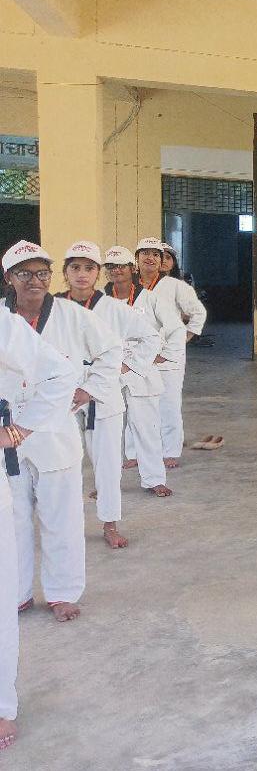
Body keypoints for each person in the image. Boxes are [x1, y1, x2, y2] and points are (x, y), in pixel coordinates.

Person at [2, 241, 122, 622]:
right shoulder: (3, 319)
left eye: (42, 273)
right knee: (12, 519)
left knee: (62, 517)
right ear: (9, 278)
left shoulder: (73, 316)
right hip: (8, 434)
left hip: (54, 430)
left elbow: (112, 351)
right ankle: (16, 593)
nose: (34, 281)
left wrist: (88, 390)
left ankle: (62, 593)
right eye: (24, 273)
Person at [0, 299, 79, 751]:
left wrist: (19, 428)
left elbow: (60, 372)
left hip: (42, 442)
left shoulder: (4, 324)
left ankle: (1, 704)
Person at [57, 242, 164, 548]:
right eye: (75, 268)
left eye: (89, 268)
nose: (82, 274)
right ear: (65, 273)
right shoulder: (54, 308)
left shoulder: (114, 309)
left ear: (97, 273)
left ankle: (109, 523)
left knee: (107, 460)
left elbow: (151, 337)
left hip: (104, 389)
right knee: (60, 460)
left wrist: (125, 367)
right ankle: (63, 524)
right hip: (63, 391)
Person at [105, 246, 184, 497]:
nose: (117, 271)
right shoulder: (98, 301)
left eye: (122, 266)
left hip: (140, 369)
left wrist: (163, 355)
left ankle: (154, 479)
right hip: (109, 369)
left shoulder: (149, 299)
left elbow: (175, 329)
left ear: (132, 269)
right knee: (105, 431)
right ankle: (105, 483)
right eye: (111, 266)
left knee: (146, 426)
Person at [134, 237, 206, 468]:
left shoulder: (175, 286)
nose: (151, 258)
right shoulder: (129, 286)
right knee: (136, 404)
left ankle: (170, 450)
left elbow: (198, 313)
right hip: (135, 354)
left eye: (156, 255)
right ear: (136, 259)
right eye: (145, 253)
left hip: (167, 355)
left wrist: (185, 337)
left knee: (168, 402)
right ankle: (135, 451)